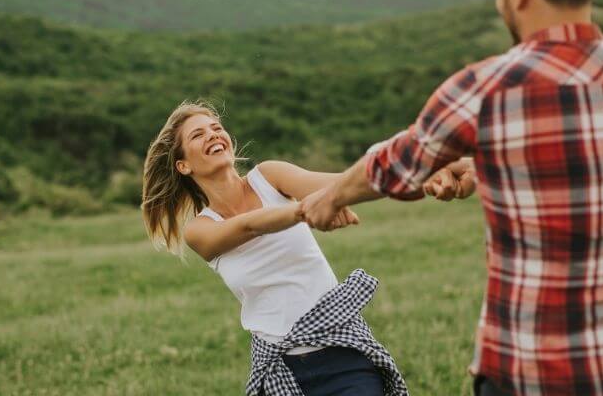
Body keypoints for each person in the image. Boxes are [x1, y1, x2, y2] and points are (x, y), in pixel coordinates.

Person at [301, 0, 603, 395]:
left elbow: (396, 163)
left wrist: (331, 198)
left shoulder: (486, 87)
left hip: (526, 368)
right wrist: (484, 165)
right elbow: (591, 167)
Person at [140, 101, 470, 395]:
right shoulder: (201, 229)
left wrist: (431, 171)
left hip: (343, 353)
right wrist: (308, 210)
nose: (213, 135)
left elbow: (343, 183)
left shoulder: (269, 176)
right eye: (198, 135)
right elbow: (249, 226)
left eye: (216, 128)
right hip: (280, 370)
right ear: (183, 165)